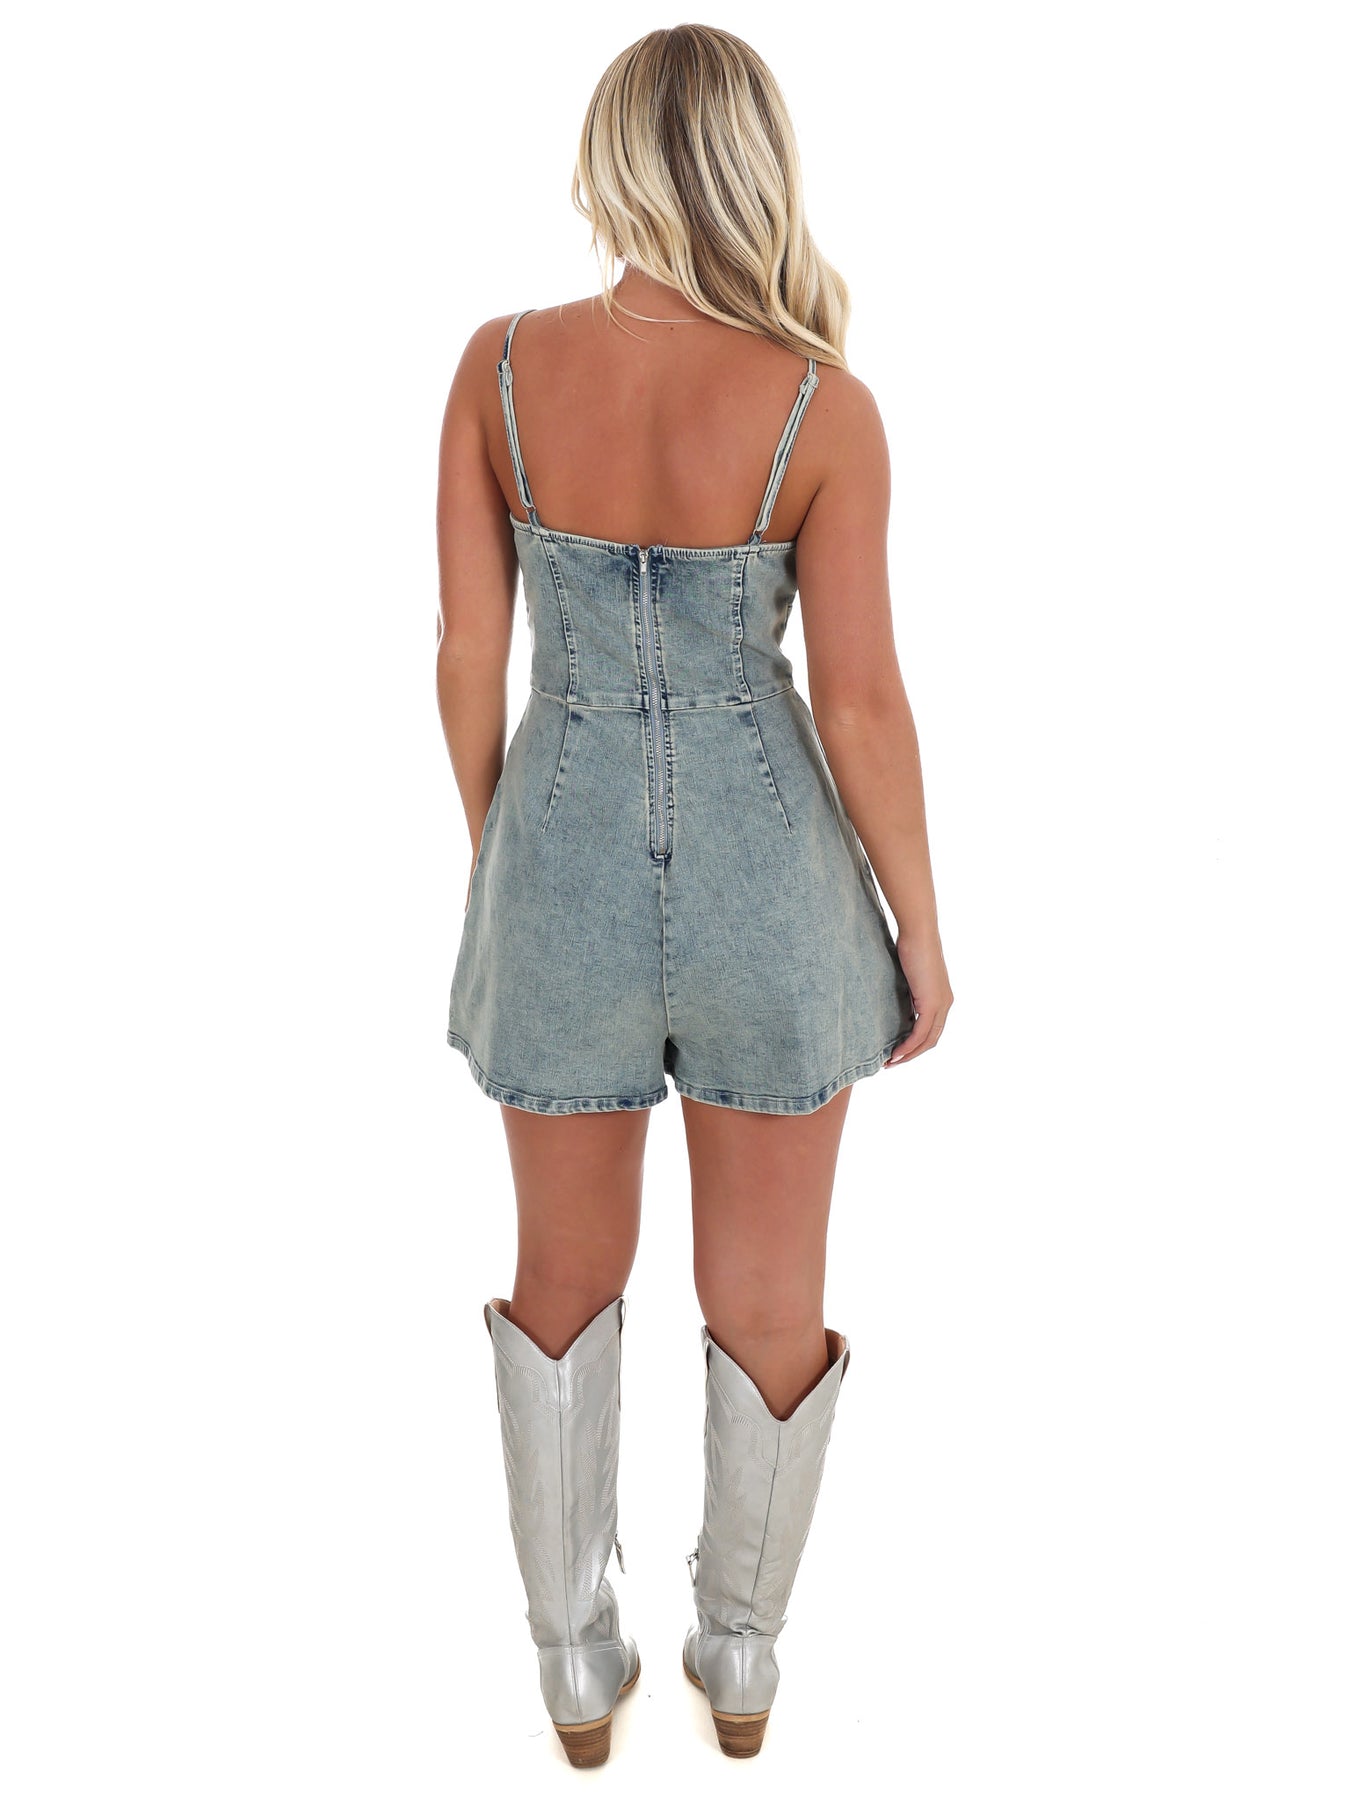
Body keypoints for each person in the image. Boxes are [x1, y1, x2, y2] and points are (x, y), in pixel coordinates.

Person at [435, 24, 953, 1768]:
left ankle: (574, 1668)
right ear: (752, 165)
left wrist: (515, 854)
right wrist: (920, 932)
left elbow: (465, 657)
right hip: (770, 880)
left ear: (612, 159)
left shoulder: (502, 367)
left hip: (560, 852)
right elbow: (859, 704)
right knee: (769, 1289)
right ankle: (738, 1658)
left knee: (560, 1273)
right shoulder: (822, 405)